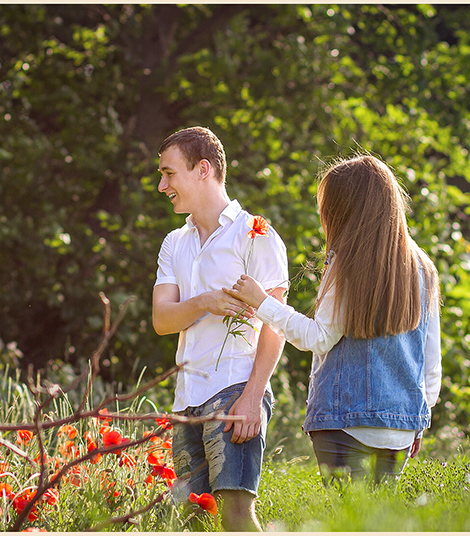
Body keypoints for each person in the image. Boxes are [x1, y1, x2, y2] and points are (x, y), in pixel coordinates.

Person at [224, 154, 442, 484]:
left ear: (344, 209)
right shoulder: (423, 268)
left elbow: (318, 337)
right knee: (379, 514)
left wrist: (262, 302)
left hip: (345, 424)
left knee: (346, 513)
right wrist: (417, 420)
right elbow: (430, 362)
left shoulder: (347, 263)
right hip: (400, 428)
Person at [152, 126, 289, 530]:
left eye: (169, 173)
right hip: (186, 400)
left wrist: (253, 397)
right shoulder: (174, 243)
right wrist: (204, 302)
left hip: (235, 391)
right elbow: (162, 320)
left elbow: (277, 324)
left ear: (203, 169)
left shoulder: (255, 235)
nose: (162, 186)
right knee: (194, 519)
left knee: (236, 515)